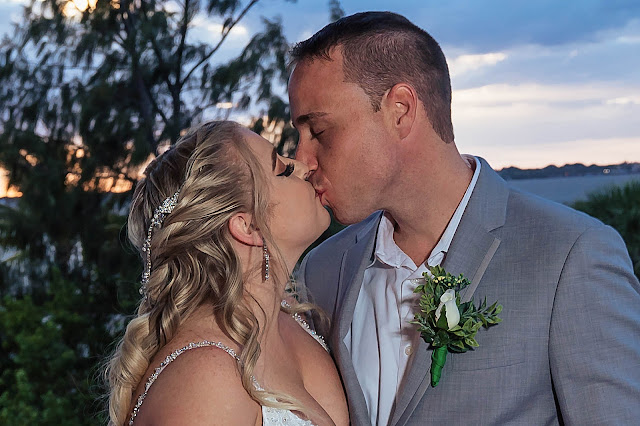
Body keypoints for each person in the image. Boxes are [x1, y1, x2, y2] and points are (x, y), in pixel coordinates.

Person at [289, 11, 640, 426]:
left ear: (400, 109)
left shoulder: (571, 256)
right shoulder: (323, 270)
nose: (301, 160)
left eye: (320, 131)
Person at [105, 121, 349, 425]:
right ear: (247, 226)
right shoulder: (203, 382)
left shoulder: (291, 320)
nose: (301, 167)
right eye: (282, 170)